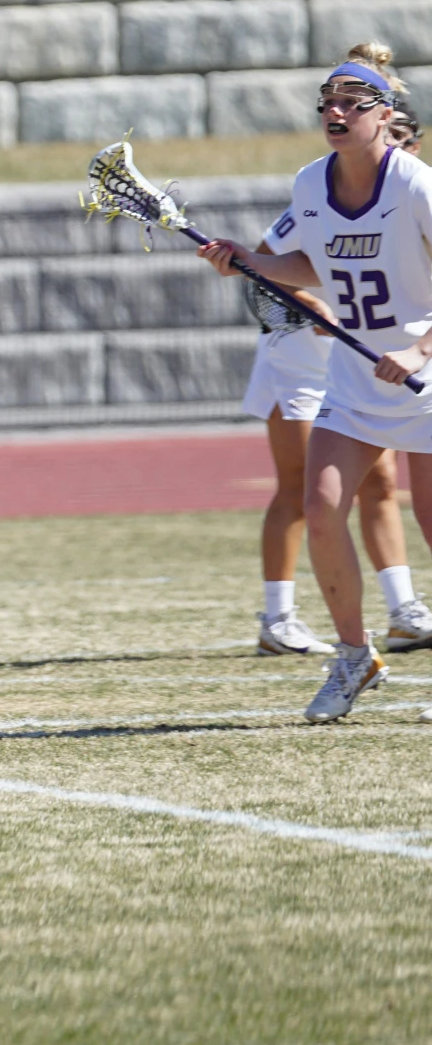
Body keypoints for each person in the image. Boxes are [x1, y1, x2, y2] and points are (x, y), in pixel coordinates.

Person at [200, 53, 432, 722]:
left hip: (422, 377)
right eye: (328, 101)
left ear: (385, 116)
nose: (336, 112)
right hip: (356, 382)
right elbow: (312, 263)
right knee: (322, 502)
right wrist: (249, 261)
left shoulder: (414, 185)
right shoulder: (310, 183)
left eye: (354, 103)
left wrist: (417, 347)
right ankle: (355, 656)